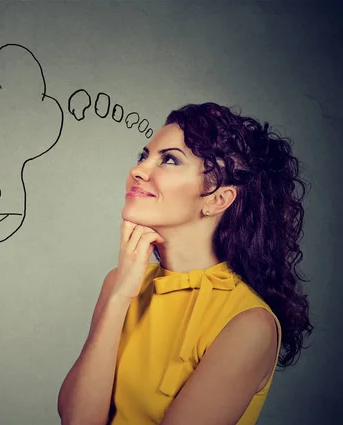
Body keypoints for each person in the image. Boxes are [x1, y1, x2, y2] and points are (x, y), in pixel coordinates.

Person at [57, 102, 313, 425]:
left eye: (169, 159)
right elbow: (76, 421)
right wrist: (120, 294)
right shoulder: (119, 283)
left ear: (217, 199)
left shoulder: (249, 324)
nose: (138, 170)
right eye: (143, 155)